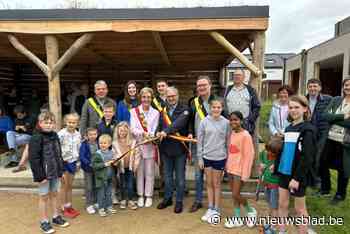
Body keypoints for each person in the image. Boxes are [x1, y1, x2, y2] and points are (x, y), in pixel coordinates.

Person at [275, 95, 317, 234]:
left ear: (305, 109)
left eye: (297, 107)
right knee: (282, 204)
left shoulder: (308, 129)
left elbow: (307, 157)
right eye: (291, 107)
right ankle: (281, 231)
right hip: (284, 172)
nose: (293, 110)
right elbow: (285, 151)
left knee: (300, 209)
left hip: (298, 175)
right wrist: (276, 165)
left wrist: (297, 178)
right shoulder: (288, 128)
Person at [28, 111, 69, 234]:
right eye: (46, 123)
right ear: (40, 123)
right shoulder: (36, 137)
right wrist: (40, 176)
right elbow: (33, 159)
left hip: (55, 171)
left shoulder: (55, 135)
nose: (49, 125)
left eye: (51, 123)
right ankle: (44, 221)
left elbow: (58, 154)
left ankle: (56, 216)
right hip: (44, 175)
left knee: (55, 194)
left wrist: (61, 170)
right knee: (44, 197)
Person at [156, 87, 190, 214]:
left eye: (173, 96)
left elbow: (179, 124)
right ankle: (168, 198)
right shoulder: (163, 110)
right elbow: (159, 126)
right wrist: (157, 133)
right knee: (168, 177)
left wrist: (165, 131)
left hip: (180, 149)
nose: (171, 98)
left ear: (178, 95)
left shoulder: (185, 110)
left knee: (180, 179)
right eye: (168, 96)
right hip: (166, 149)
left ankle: (179, 201)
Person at [197, 98, 230, 223]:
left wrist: (227, 160)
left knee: (217, 183)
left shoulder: (226, 123)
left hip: (220, 157)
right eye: (214, 107)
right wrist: (200, 158)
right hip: (207, 157)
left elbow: (228, 142)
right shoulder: (204, 122)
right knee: (209, 183)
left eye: (218, 107)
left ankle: (217, 209)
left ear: (222, 108)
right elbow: (200, 141)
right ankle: (210, 207)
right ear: (210, 108)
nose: (216, 109)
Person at [188, 75, 216, 213]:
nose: (201, 88)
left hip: (213, 144)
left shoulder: (217, 101)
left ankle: (213, 203)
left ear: (210, 85)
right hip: (197, 142)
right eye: (199, 86)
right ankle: (198, 200)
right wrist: (190, 132)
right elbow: (190, 121)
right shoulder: (194, 102)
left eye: (204, 85)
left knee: (212, 175)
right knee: (198, 174)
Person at [320, 78, 350, 204]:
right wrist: (343, 116)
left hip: (345, 142)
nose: (348, 87)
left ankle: (340, 195)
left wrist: (334, 119)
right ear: (343, 87)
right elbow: (325, 116)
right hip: (330, 138)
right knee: (322, 162)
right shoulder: (336, 99)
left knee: (343, 168)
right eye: (346, 85)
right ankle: (325, 188)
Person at [224, 111, 256, 228]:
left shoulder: (246, 136)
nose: (233, 122)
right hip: (231, 169)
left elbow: (249, 155)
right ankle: (237, 218)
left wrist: (245, 174)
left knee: (236, 194)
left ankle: (250, 211)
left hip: (240, 170)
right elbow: (231, 152)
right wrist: (227, 166)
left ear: (241, 121)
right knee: (234, 195)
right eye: (231, 120)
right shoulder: (232, 133)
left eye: (236, 119)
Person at [130, 87, 160, 208]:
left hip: (150, 145)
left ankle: (148, 195)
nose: (146, 99)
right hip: (139, 145)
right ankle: (140, 195)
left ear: (151, 98)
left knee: (149, 172)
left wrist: (150, 136)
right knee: (139, 171)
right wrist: (142, 133)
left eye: (148, 97)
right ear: (140, 98)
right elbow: (132, 128)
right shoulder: (134, 111)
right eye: (144, 97)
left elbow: (156, 128)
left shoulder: (156, 113)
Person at [305, 79, 332, 190]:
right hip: (308, 132)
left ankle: (324, 185)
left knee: (320, 158)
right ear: (307, 88)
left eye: (315, 86)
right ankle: (312, 181)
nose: (312, 89)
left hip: (323, 133)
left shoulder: (328, 99)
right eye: (310, 86)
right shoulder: (303, 99)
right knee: (308, 156)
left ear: (320, 88)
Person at [224, 69, 261, 136]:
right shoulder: (227, 89)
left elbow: (257, 106)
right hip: (230, 124)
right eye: (235, 75)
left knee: (245, 145)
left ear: (243, 77)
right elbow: (223, 105)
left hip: (245, 125)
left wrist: (251, 119)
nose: (236, 77)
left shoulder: (250, 90)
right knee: (231, 144)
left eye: (239, 75)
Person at [112, 122, 140, 210]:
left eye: (124, 131)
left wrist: (136, 165)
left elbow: (137, 154)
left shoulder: (133, 142)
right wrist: (116, 160)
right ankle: (123, 200)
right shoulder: (115, 143)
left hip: (131, 167)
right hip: (121, 168)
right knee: (122, 184)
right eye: (120, 131)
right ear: (117, 131)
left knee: (130, 184)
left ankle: (131, 200)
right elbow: (114, 154)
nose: (122, 132)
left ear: (128, 131)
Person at [58, 113, 81, 219]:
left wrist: (78, 162)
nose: (71, 124)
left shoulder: (78, 134)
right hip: (64, 162)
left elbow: (78, 148)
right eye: (69, 122)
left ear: (77, 123)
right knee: (64, 185)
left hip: (73, 161)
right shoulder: (61, 134)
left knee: (70, 185)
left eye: (74, 122)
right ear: (65, 122)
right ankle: (63, 207)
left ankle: (69, 205)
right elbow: (57, 149)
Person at [258, 136, 283, 233]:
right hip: (267, 183)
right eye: (268, 150)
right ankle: (269, 222)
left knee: (274, 206)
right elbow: (261, 160)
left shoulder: (279, 159)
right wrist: (261, 166)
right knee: (269, 204)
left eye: (273, 153)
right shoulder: (264, 153)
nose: (269, 153)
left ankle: (273, 227)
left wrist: (276, 167)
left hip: (275, 185)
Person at [92, 134, 117, 217]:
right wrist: (104, 164)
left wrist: (115, 162)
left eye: (104, 143)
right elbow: (94, 165)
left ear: (109, 144)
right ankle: (101, 208)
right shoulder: (97, 154)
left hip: (109, 177)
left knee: (109, 193)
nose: (102, 145)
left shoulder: (111, 153)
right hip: (100, 179)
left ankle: (109, 206)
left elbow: (114, 162)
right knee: (101, 194)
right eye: (101, 143)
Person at [79, 127, 99, 214]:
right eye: (90, 134)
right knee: (89, 186)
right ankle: (89, 204)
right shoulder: (84, 144)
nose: (93, 136)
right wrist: (89, 163)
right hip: (88, 168)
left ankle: (95, 201)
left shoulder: (98, 143)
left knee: (95, 185)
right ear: (87, 135)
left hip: (97, 168)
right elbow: (82, 156)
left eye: (94, 134)